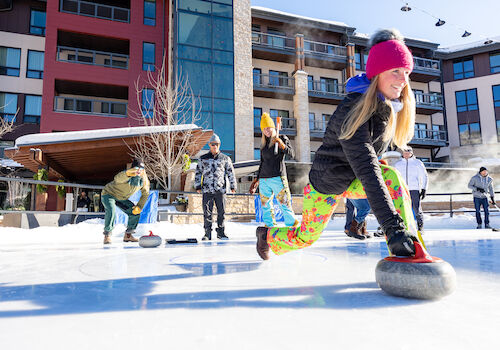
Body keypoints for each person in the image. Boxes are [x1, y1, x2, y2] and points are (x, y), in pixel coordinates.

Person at [256, 28, 422, 260]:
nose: (404, 80)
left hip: (353, 179)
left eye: (406, 72)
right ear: (377, 73)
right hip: (326, 183)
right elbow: (366, 165)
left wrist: (398, 231)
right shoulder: (353, 109)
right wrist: (391, 228)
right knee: (306, 237)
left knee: (392, 178)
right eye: (396, 71)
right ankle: (267, 236)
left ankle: (412, 245)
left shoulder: (384, 109)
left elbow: (369, 159)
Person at [249, 113, 297, 228]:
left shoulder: (281, 138)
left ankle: (291, 226)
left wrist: (282, 145)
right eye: (264, 129)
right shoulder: (263, 145)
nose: (267, 131)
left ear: (273, 127)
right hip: (265, 179)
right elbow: (262, 163)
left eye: (268, 128)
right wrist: (256, 179)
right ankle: (270, 227)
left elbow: (292, 154)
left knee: (284, 202)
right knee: (265, 205)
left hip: (277, 177)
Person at [194, 133, 237, 241]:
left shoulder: (225, 158)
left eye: (217, 144)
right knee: (207, 212)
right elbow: (198, 172)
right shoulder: (203, 158)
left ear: (219, 145)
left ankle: (221, 232)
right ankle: (207, 233)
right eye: (213, 144)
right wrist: (198, 185)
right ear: (209, 145)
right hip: (207, 190)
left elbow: (230, 172)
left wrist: (233, 186)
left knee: (221, 212)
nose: (215, 146)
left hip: (220, 189)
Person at [101, 158, 150, 244]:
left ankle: (128, 235)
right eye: (136, 169)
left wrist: (139, 206)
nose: (139, 171)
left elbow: (145, 194)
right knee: (111, 211)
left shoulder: (143, 180)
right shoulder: (126, 175)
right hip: (109, 194)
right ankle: (107, 235)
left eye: (141, 169)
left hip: (122, 199)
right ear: (132, 169)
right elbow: (117, 179)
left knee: (135, 212)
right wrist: (127, 173)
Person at [394, 146, 428, 232]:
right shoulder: (398, 164)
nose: (406, 154)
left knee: (416, 208)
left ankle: (420, 226)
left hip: (414, 189)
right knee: (401, 208)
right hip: (402, 189)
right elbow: (395, 176)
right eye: (405, 152)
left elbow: (424, 176)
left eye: (408, 152)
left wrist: (424, 189)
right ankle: (402, 226)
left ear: (411, 153)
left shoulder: (417, 163)